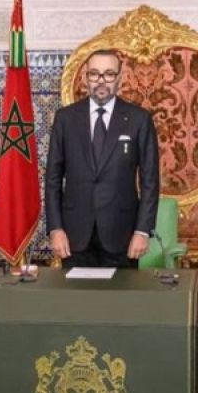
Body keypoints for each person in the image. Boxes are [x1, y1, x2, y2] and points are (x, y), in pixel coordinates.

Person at [45, 49, 160, 268]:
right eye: (94, 74)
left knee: (122, 292)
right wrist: (55, 229)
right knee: (74, 292)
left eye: (109, 74)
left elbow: (150, 182)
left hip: (123, 236)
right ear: (85, 77)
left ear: (120, 78)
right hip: (74, 236)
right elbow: (52, 179)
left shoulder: (139, 119)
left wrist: (142, 231)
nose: (101, 81)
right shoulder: (65, 119)